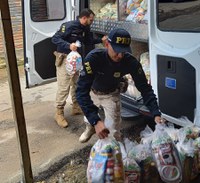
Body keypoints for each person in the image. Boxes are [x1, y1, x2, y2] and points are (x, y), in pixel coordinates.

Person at [76, 28, 165, 143]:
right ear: (107, 44)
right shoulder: (93, 59)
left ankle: (113, 154)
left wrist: (156, 113)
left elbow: (145, 88)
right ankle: (90, 127)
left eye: (123, 51)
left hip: (111, 94)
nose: (120, 56)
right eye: (116, 51)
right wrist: (96, 121)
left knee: (113, 131)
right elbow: (81, 91)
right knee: (89, 116)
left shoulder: (131, 62)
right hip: (92, 91)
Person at [51, 8, 107, 128]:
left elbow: (88, 41)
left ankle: (76, 107)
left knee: (76, 84)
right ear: (84, 18)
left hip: (76, 59)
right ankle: (59, 113)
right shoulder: (69, 26)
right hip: (65, 58)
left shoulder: (85, 28)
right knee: (64, 86)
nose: (92, 22)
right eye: (91, 20)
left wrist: (100, 40)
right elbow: (55, 38)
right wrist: (68, 45)